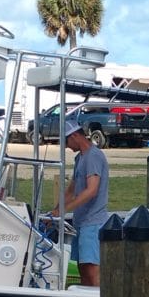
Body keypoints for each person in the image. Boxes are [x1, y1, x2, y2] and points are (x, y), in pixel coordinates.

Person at [53, 117, 109, 287]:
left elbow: (91, 191)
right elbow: (72, 190)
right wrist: (56, 210)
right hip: (81, 223)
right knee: (82, 270)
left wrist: (65, 210)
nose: (67, 147)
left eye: (66, 142)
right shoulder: (80, 158)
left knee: (92, 272)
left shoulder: (93, 156)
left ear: (75, 136)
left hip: (93, 223)